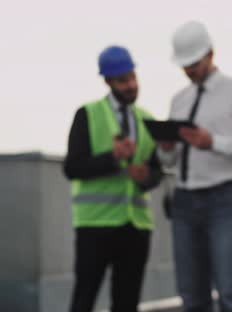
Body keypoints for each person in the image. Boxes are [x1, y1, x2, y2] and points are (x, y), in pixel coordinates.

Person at [158, 21, 232, 312]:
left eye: (193, 63)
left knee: (231, 295)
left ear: (210, 54)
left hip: (225, 201)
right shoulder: (178, 101)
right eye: (185, 65)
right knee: (192, 298)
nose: (189, 70)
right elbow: (169, 161)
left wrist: (212, 142)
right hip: (184, 201)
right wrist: (166, 149)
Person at [63, 45, 163, 312]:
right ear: (108, 81)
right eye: (122, 80)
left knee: (127, 302)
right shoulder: (88, 114)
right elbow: (72, 167)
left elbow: (156, 171)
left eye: (132, 77)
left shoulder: (147, 120)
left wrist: (146, 177)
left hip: (136, 227)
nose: (130, 85)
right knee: (84, 298)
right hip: (95, 226)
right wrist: (111, 157)